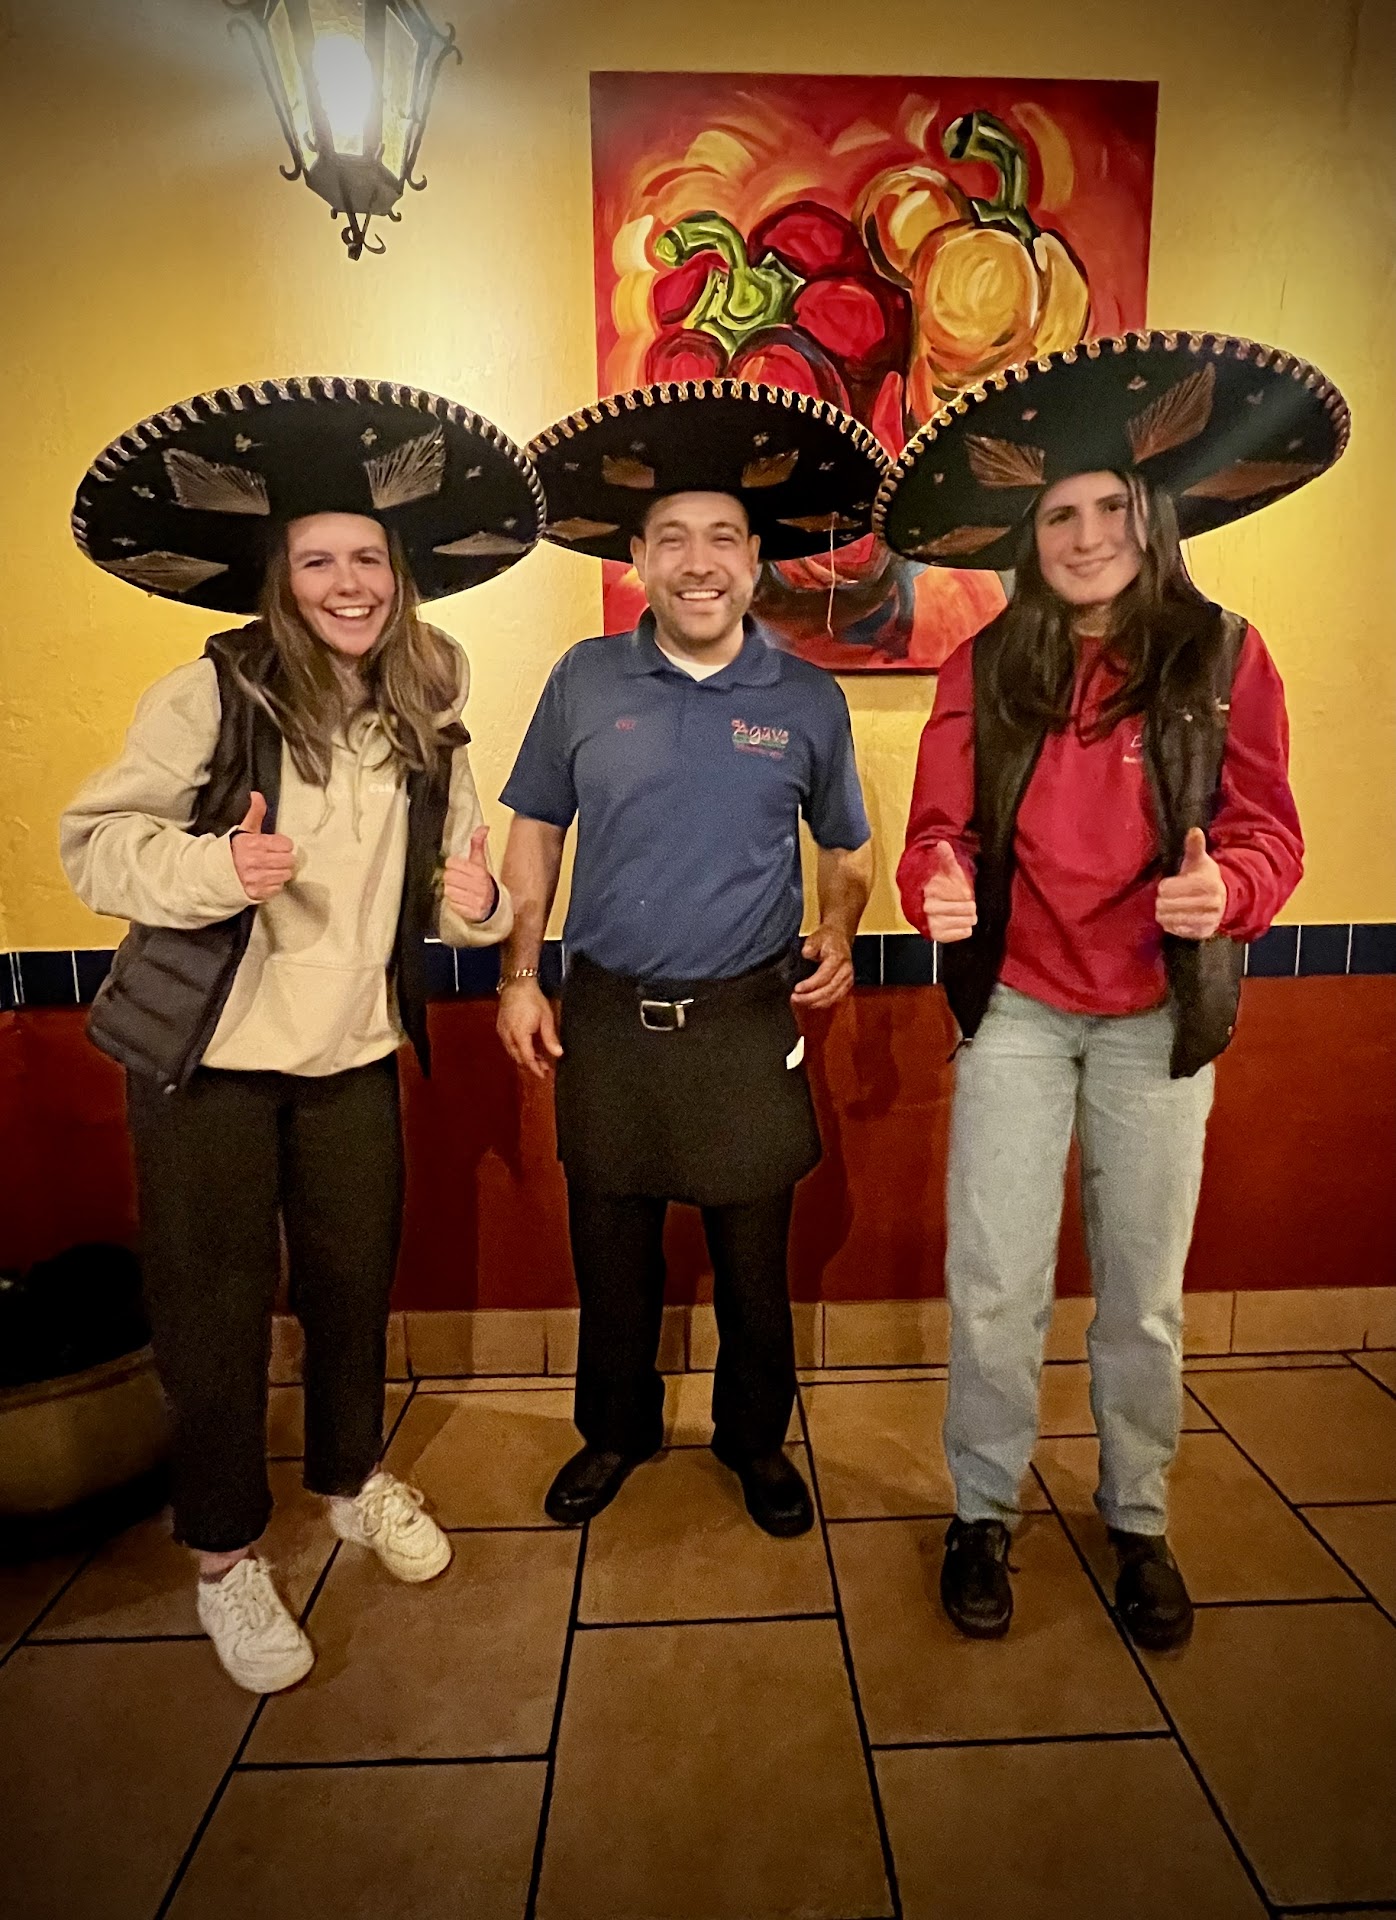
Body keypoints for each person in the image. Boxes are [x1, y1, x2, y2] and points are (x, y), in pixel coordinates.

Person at [62, 376, 542, 1691]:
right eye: (320, 560)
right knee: (213, 1312)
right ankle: (225, 1556)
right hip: (209, 1067)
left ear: (399, 576)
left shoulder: (426, 704)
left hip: (353, 1060)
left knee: (349, 1288)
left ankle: (350, 1481)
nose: (348, 583)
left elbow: (451, 880)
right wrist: (217, 869)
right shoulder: (210, 696)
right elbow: (95, 845)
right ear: (281, 577)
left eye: (367, 559)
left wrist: (476, 900)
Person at [880, 331, 1348, 1648]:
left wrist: (1230, 891)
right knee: (994, 1282)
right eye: (1059, 516)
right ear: (1028, 540)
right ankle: (982, 1510)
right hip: (1018, 1011)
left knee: (1141, 1290)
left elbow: (1267, 832)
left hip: (1157, 1017)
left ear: (1151, 517)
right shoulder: (981, 666)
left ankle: (1137, 1516)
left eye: (1108, 509)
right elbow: (936, 835)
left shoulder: (1226, 654)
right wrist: (935, 882)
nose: (1085, 537)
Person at [496, 381, 885, 1536]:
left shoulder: (807, 698)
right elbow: (534, 830)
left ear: (756, 562)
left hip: (743, 1024)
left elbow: (849, 848)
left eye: (722, 537)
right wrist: (517, 975)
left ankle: (754, 1442)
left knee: (754, 1269)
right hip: (606, 1018)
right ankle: (613, 1431)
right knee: (611, 1257)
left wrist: (839, 929)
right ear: (638, 561)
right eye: (671, 538)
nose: (698, 562)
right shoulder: (582, 679)